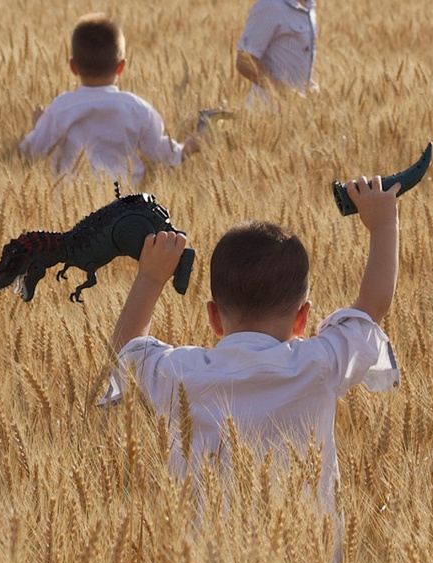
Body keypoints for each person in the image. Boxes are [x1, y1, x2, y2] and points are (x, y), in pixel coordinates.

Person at [107, 177, 403, 525]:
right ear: (302, 318)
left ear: (214, 317)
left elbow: (124, 350)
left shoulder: (181, 372)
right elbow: (372, 306)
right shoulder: (318, 363)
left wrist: (152, 277)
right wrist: (384, 224)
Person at [19, 16, 194, 187]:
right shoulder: (138, 109)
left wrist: (39, 125)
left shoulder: (61, 108)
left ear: (73, 67)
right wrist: (189, 147)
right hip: (124, 210)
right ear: (121, 67)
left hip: (73, 208)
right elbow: (161, 152)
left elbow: (30, 152)